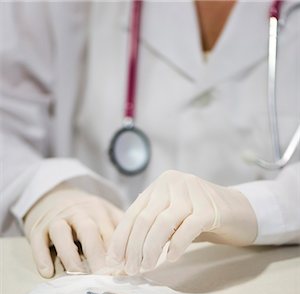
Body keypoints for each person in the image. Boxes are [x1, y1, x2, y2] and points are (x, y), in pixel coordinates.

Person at [0, 1, 299, 278]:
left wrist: (257, 208)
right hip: (89, 278)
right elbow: (7, 118)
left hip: (264, 293)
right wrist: (44, 189)